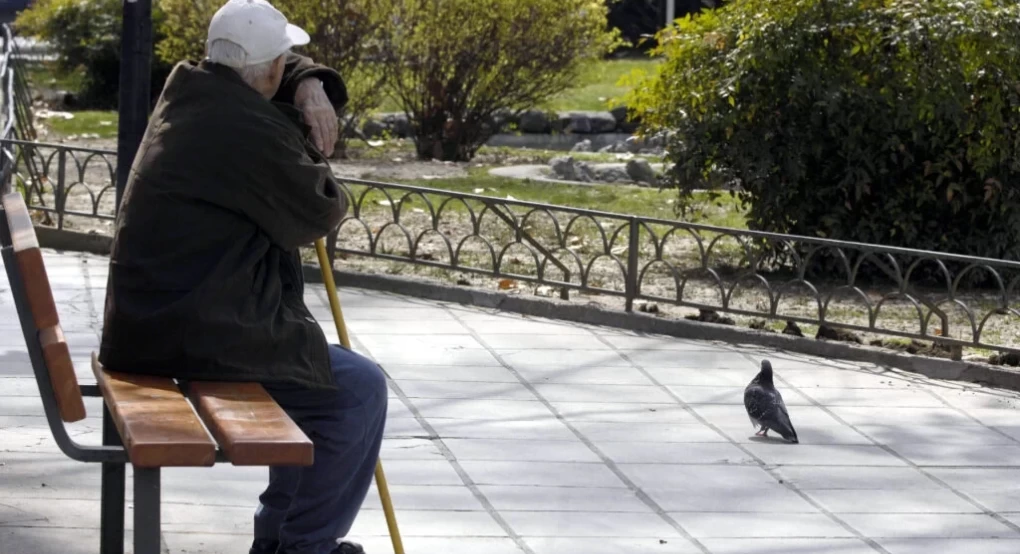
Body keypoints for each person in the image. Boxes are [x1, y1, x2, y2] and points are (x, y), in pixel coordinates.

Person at [97, 1, 387, 553]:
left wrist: (306, 84)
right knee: (356, 392)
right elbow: (320, 209)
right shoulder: (241, 129)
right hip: (192, 331)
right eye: (286, 61)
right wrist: (305, 121)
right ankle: (304, 547)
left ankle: (282, 540)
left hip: (162, 320)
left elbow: (261, 78)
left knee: (329, 384)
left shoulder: (196, 93)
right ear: (270, 72)